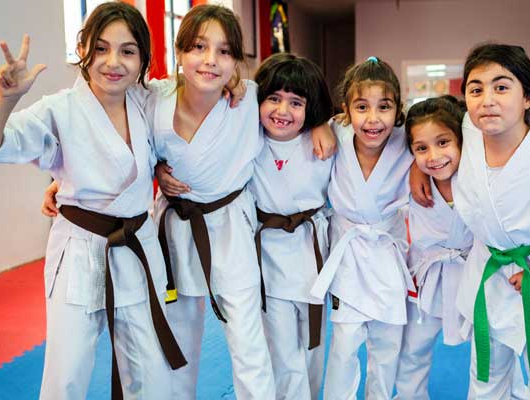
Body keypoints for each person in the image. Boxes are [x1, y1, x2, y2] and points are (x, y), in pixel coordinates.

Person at [0, 3, 185, 399]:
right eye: (101, 48)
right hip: (78, 249)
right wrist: (5, 100)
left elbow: (187, 104)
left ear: (143, 58)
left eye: (127, 51)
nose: (113, 62)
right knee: (66, 376)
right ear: (83, 49)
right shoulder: (59, 110)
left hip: (139, 247)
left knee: (152, 377)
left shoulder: (146, 101)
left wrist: (156, 169)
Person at [147, 5, 336, 399]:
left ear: (236, 62)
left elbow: (296, 101)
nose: (210, 60)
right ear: (179, 50)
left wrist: (319, 120)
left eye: (224, 51)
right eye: (199, 46)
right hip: (174, 226)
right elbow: (129, 147)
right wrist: (156, 171)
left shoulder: (249, 98)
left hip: (232, 226)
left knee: (249, 340)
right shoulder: (153, 99)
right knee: (175, 337)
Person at [407, 44, 530, 399]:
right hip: (489, 272)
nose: (487, 99)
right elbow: (428, 133)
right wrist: (416, 166)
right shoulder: (468, 135)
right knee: (486, 377)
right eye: (476, 89)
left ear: (527, 98)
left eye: (501, 87)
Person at [395, 96, 530, 400]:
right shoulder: (408, 176)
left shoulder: (482, 174)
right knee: (414, 348)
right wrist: (415, 168)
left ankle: (514, 394)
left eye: (443, 142)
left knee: (497, 346)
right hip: (429, 277)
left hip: (478, 274)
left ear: (462, 140)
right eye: (421, 148)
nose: (433, 156)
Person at [309, 56, 415, 399]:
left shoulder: (409, 140)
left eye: (384, 107)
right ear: (346, 110)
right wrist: (317, 123)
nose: (373, 119)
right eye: (362, 107)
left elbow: (463, 130)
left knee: (387, 347)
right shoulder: (334, 131)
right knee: (343, 346)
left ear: (398, 109)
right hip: (347, 255)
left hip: (388, 254)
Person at [249, 52, 333, 399]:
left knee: (314, 351)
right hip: (269, 261)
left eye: (296, 102)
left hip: (314, 257)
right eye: (273, 98)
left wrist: (323, 123)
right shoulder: (246, 139)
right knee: (283, 355)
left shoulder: (326, 140)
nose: (283, 112)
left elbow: (377, 132)